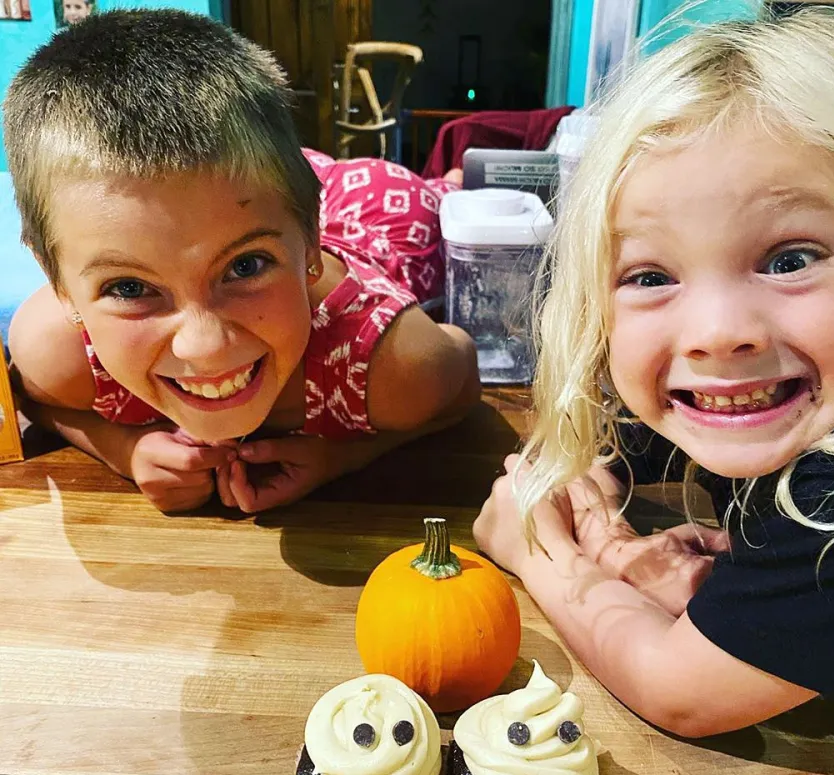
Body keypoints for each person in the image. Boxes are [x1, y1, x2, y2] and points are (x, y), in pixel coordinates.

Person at [474, 9, 834, 736]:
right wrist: (608, 537)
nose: (714, 335)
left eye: (790, 259)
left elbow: (678, 689)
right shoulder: (766, 392)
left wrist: (536, 550)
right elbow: (604, 442)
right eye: (650, 275)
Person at [6, 9, 479, 514]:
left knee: (430, 194)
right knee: (259, 191)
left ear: (311, 248)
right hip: (253, 202)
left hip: (377, 214)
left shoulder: (390, 364)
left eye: (246, 266)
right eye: (128, 287)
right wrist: (123, 450)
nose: (205, 348)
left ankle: (442, 181)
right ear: (58, 286)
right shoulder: (53, 349)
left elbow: (463, 382)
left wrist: (343, 456)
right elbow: (30, 398)